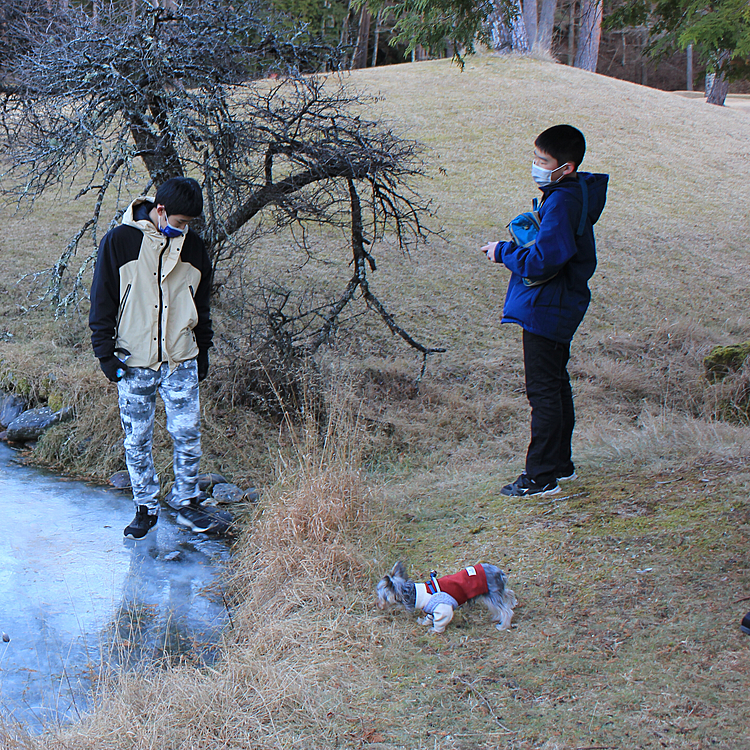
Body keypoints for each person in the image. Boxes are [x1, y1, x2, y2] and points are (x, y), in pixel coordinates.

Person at [481, 125, 609, 497]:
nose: (536, 166)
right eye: (535, 157)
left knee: (543, 392)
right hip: (558, 302)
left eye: (543, 160)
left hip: (549, 306)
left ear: (565, 167)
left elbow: (544, 260)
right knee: (554, 385)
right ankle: (561, 466)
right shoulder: (569, 194)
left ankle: (540, 477)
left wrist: (503, 251)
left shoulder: (562, 200)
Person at [89, 176, 215, 538]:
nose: (185, 230)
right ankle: (145, 508)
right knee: (137, 440)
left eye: (189, 224)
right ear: (160, 211)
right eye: (180, 223)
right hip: (133, 363)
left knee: (187, 433)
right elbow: (102, 302)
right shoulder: (119, 242)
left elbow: (201, 307)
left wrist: (202, 352)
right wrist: (106, 357)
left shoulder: (196, 250)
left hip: (180, 360)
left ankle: (187, 502)